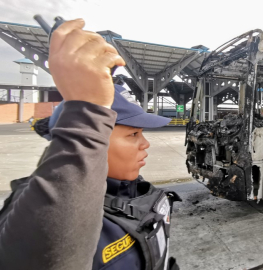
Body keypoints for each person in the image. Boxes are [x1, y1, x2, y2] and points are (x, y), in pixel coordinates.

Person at [0, 19, 180, 270]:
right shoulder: (41, 215)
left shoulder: (131, 194)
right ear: (93, 138)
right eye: (133, 135)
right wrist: (88, 110)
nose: (145, 144)